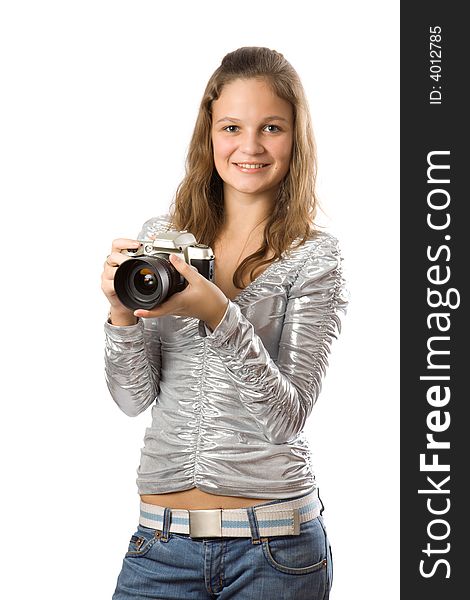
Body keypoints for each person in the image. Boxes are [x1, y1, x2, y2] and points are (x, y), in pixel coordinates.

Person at [101, 46, 348, 600]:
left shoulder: (314, 257)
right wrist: (122, 314)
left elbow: (288, 416)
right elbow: (131, 399)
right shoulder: (161, 238)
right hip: (158, 545)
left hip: (275, 550)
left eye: (272, 128)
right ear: (208, 133)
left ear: (296, 139)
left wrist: (217, 312)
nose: (250, 146)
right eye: (232, 126)